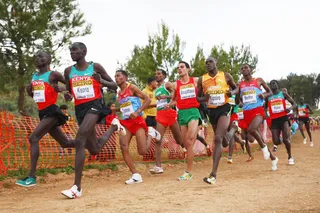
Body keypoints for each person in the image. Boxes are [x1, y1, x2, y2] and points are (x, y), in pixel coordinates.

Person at [61, 42, 125, 199]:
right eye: (70, 51)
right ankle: (114, 127)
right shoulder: (68, 71)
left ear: (84, 51)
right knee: (94, 149)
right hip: (80, 109)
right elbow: (69, 92)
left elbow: (113, 86)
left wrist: (101, 81)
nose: (72, 53)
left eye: (75, 50)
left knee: (80, 138)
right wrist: (68, 96)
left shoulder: (95, 66)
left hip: (95, 105)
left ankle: (77, 187)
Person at [16, 51, 75, 187]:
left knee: (33, 138)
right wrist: (29, 91)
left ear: (49, 59)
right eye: (36, 57)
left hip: (53, 111)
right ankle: (89, 144)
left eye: (41, 56)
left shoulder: (54, 74)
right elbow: (36, 96)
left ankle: (31, 177)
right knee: (65, 143)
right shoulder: (34, 76)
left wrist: (66, 91)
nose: (38, 59)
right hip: (42, 112)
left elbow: (70, 86)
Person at [115, 70, 160, 184]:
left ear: (125, 77)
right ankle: (135, 174)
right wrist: (115, 111)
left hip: (137, 121)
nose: (116, 78)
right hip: (126, 122)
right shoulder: (119, 93)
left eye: (118, 75)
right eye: (115, 76)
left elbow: (147, 99)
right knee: (123, 147)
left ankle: (151, 133)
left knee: (142, 151)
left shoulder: (132, 88)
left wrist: (138, 111)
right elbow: (125, 108)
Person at [197, 57, 237, 185]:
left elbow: (236, 89)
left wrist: (232, 92)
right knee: (224, 142)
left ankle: (213, 174)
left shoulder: (225, 75)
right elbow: (198, 98)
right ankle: (233, 130)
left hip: (225, 108)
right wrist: (204, 98)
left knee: (218, 139)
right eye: (206, 63)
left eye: (210, 62)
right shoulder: (202, 79)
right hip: (212, 111)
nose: (208, 64)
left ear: (216, 64)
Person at [236, 64, 278, 171]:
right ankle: (273, 158)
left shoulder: (258, 80)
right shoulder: (241, 84)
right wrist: (238, 94)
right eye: (242, 68)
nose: (244, 69)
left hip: (258, 111)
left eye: (246, 67)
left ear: (251, 70)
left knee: (252, 129)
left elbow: (270, 92)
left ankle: (264, 148)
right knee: (251, 138)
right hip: (246, 113)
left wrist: (263, 95)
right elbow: (238, 101)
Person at [167, 61, 202, 181]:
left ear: (188, 69)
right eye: (178, 68)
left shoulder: (196, 80)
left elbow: (206, 87)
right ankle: (188, 172)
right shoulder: (176, 85)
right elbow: (173, 100)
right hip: (182, 113)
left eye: (182, 67)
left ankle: (189, 171)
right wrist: (168, 104)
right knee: (187, 143)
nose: (180, 69)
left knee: (190, 138)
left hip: (193, 112)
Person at [149, 69, 185, 174]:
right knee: (158, 139)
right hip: (160, 114)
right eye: (156, 74)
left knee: (179, 140)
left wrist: (167, 96)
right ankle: (158, 166)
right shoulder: (156, 89)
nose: (157, 75)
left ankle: (188, 149)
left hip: (170, 113)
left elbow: (177, 95)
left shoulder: (167, 84)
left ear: (164, 76)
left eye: (159, 74)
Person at [265, 80, 296, 165]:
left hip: (284, 118)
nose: (272, 85)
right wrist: (266, 115)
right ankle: (282, 140)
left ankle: (290, 156)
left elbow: (294, 104)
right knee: (275, 141)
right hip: (274, 120)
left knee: (286, 139)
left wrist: (289, 109)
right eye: (271, 84)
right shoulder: (268, 97)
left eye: (274, 83)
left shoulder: (283, 94)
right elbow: (264, 107)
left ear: (277, 85)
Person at [226, 95, 246, 164]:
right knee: (232, 135)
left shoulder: (235, 95)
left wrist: (238, 104)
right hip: (225, 115)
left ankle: (230, 157)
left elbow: (240, 103)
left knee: (231, 136)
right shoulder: (224, 93)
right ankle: (242, 143)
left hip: (234, 116)